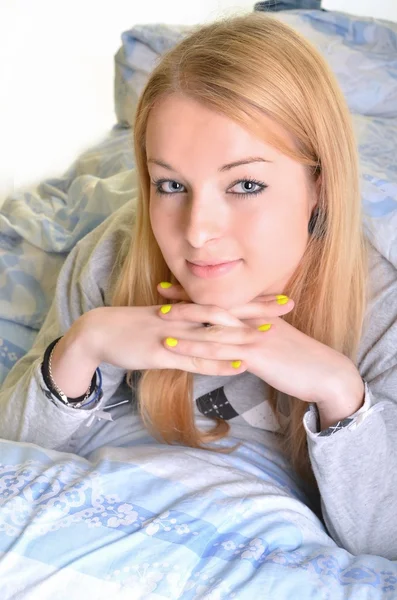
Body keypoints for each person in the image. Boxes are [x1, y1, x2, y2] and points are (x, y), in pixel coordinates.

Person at [0, 12, 396, 560]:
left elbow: (385, 542)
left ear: (319, 184)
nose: (197, 230)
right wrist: (83, 346)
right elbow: (14, 452)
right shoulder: (116, 255)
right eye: (170, 184)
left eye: (246, 184)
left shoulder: (384, 305)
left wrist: (340, 393)